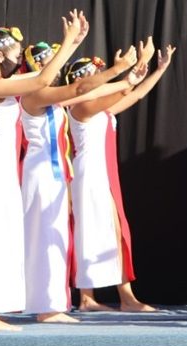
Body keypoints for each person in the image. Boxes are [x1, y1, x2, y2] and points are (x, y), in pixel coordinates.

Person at [0, 11, 85, 331]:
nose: (20, 58)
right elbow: (40, 81)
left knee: (4, 237)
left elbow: (42, 76)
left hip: (6, 172)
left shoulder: (3, 84)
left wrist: (73, 45)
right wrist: (66, 42)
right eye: (15, 53)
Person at [20, 40, 145, 323]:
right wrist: (122, 73)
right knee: (53, 237)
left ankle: (56, 304)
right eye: (50, 60)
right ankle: (52, 306)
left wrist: (133, 77)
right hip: (46, 172)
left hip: (56, 173)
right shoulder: (41, 96)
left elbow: (101, 91)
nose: (57, 65)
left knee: (59, 237)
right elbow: (82, 90)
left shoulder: (54, 99)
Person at [69, 39, 176, 313]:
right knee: (89, 231)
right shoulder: (80, 108)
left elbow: (134, 95)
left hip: (102, 172)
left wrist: (159, 70)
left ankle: (123, 297)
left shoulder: (101, 110)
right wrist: (138, 65)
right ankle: (89, 298)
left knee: (114, 231)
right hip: (89, 175)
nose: (99, 79)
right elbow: (122, 90)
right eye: (94, 76)